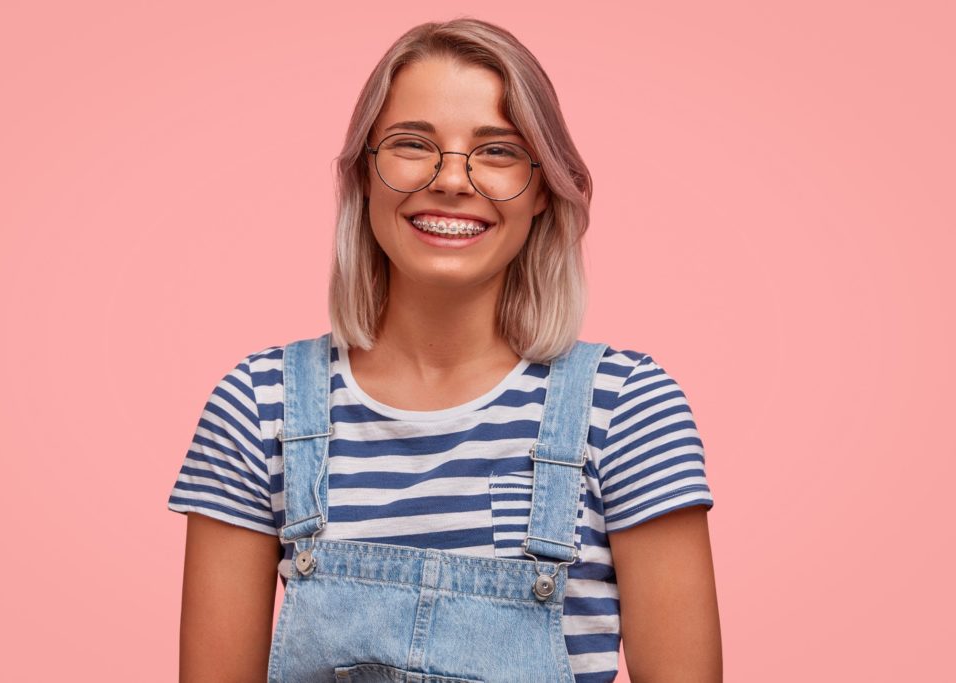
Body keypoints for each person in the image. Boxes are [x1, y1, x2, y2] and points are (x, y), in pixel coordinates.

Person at [168, 17, 722, 683]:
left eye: (496, 150)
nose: (452, 179)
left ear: (543, 188)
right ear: (364, 174)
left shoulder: (628, 409)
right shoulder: (259, 409)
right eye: (412, 144)